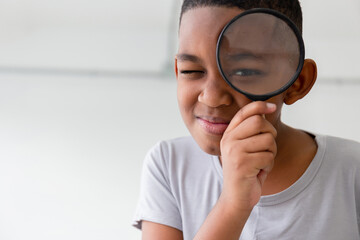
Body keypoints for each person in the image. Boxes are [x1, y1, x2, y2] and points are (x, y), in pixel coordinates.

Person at [132, 0, 360, 239]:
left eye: (244, 72)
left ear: (297, 82)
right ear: (178, 72)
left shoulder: (352, 170)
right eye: (192, 71)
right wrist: (233, 204)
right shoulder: (169, 165)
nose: (211, 98)